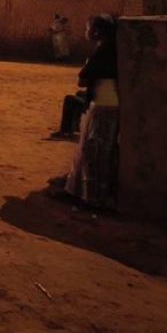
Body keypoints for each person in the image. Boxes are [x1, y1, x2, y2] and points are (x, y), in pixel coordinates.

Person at [51, 14, 120, 209]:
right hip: (105, 104)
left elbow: (83, 78)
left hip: (104, 106)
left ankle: (91, 199)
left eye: (88, 28)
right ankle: (78, 191)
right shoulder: (114, 50)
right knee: (95, 152)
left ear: (97, 32)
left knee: (94, 154)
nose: (86, 31)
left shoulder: (103, 52)